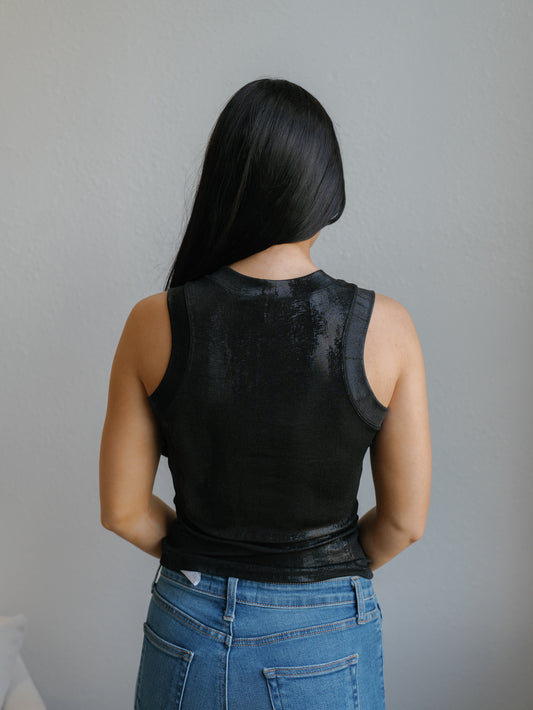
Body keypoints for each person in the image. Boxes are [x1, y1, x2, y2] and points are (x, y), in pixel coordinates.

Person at [99, 77, 431, 710]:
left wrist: (208, 558)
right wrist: (318, 581)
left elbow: (122, 511)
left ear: (225, 183)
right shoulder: (387, 329)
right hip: (326, 631)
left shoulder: (153, 321)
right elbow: (404, 523)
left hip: (188, 622)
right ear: (327, 194)